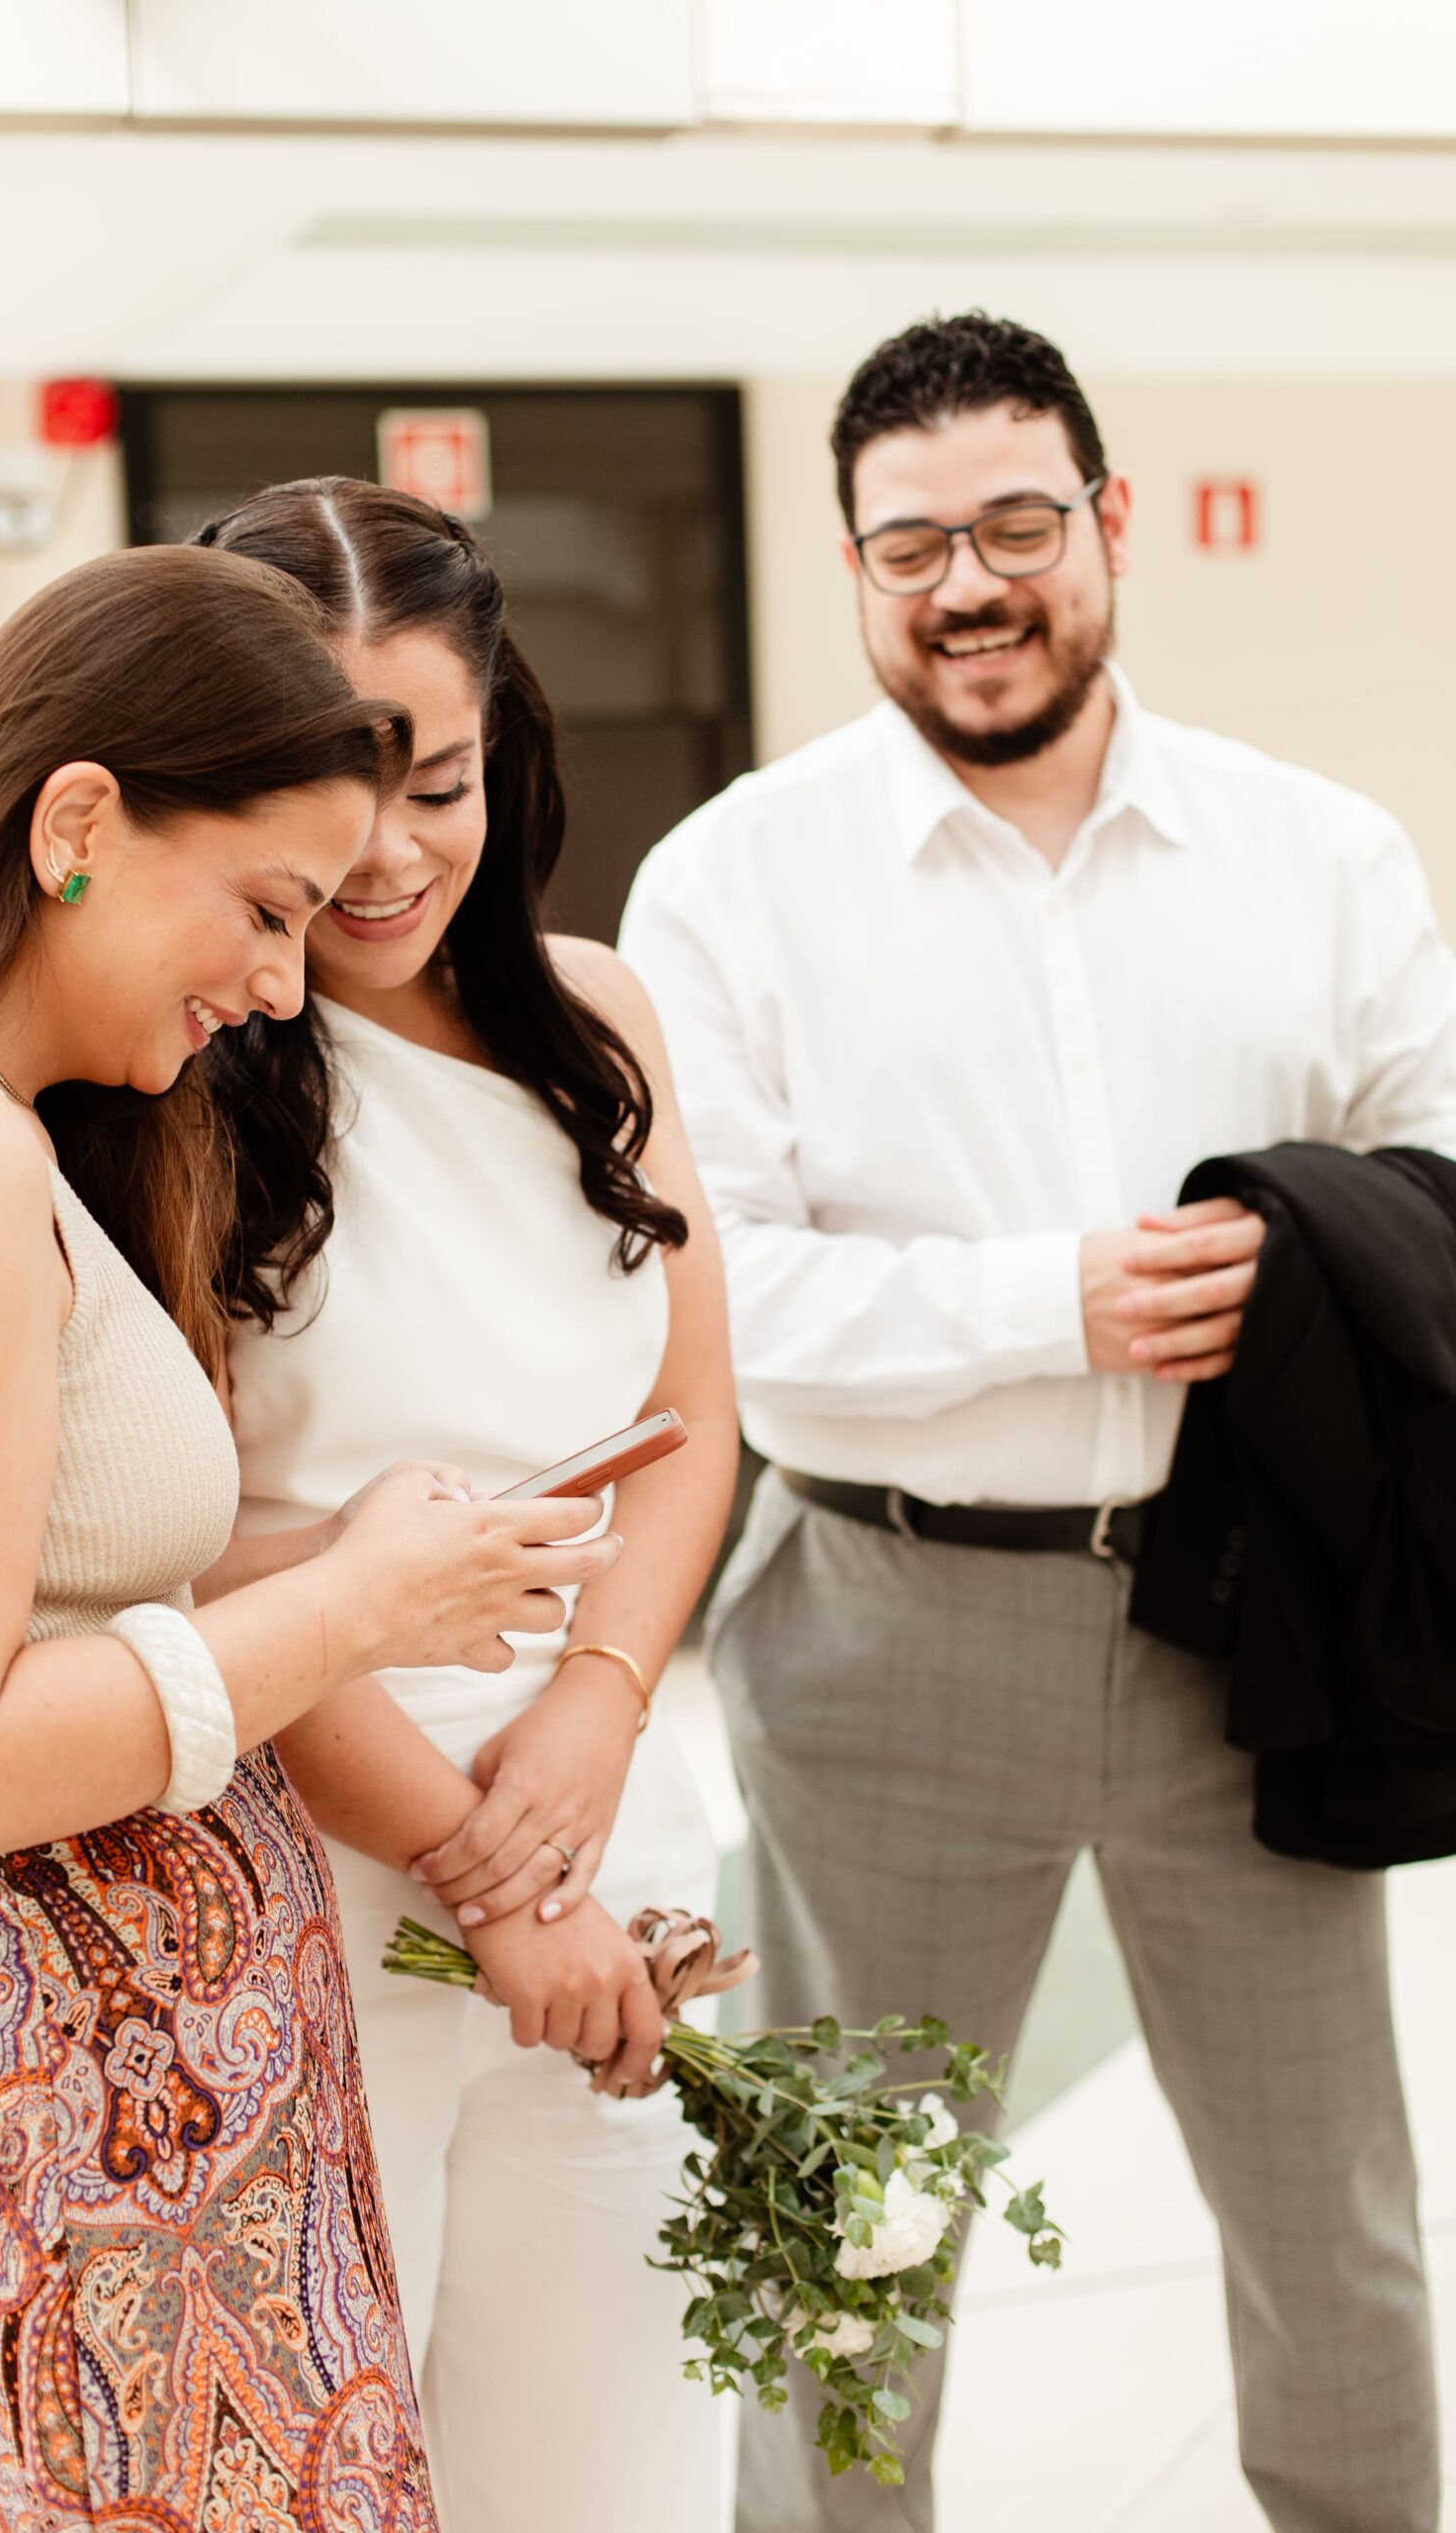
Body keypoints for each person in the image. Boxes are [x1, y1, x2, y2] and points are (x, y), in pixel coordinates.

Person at [620, 312, 1454, 2533]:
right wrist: (1051, 1298)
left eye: (1014, 526)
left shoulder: (1315, 852)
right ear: (850, 567)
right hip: (883, 1626)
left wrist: (1315, 1259)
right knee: (848, 2245)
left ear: (1108, 523)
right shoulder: (733, 881)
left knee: (1330, 2217)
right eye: (911, 547)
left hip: (1245, 1620)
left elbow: (1439, 1170)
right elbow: (716, 1295)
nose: (968, 586)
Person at [0, 544, 622, 2533]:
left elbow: (48, 1583)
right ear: (75, 823)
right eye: (266, 906)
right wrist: (349, 1603)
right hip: (74, 2157)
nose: (281, 985)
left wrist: (354, 1558)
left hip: (130, 2132)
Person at [188, 478, 740, 2533]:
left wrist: (597, 1705)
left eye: (437, 780)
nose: (388, 854)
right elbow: (183, 1547)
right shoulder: (175, 1069)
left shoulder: (599, 1015)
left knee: (613, 2468)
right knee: (326, 2465)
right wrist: (482, 1878)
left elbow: (689, 1415)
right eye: (333, 791)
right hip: (311, 1854)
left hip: (604, 1820)